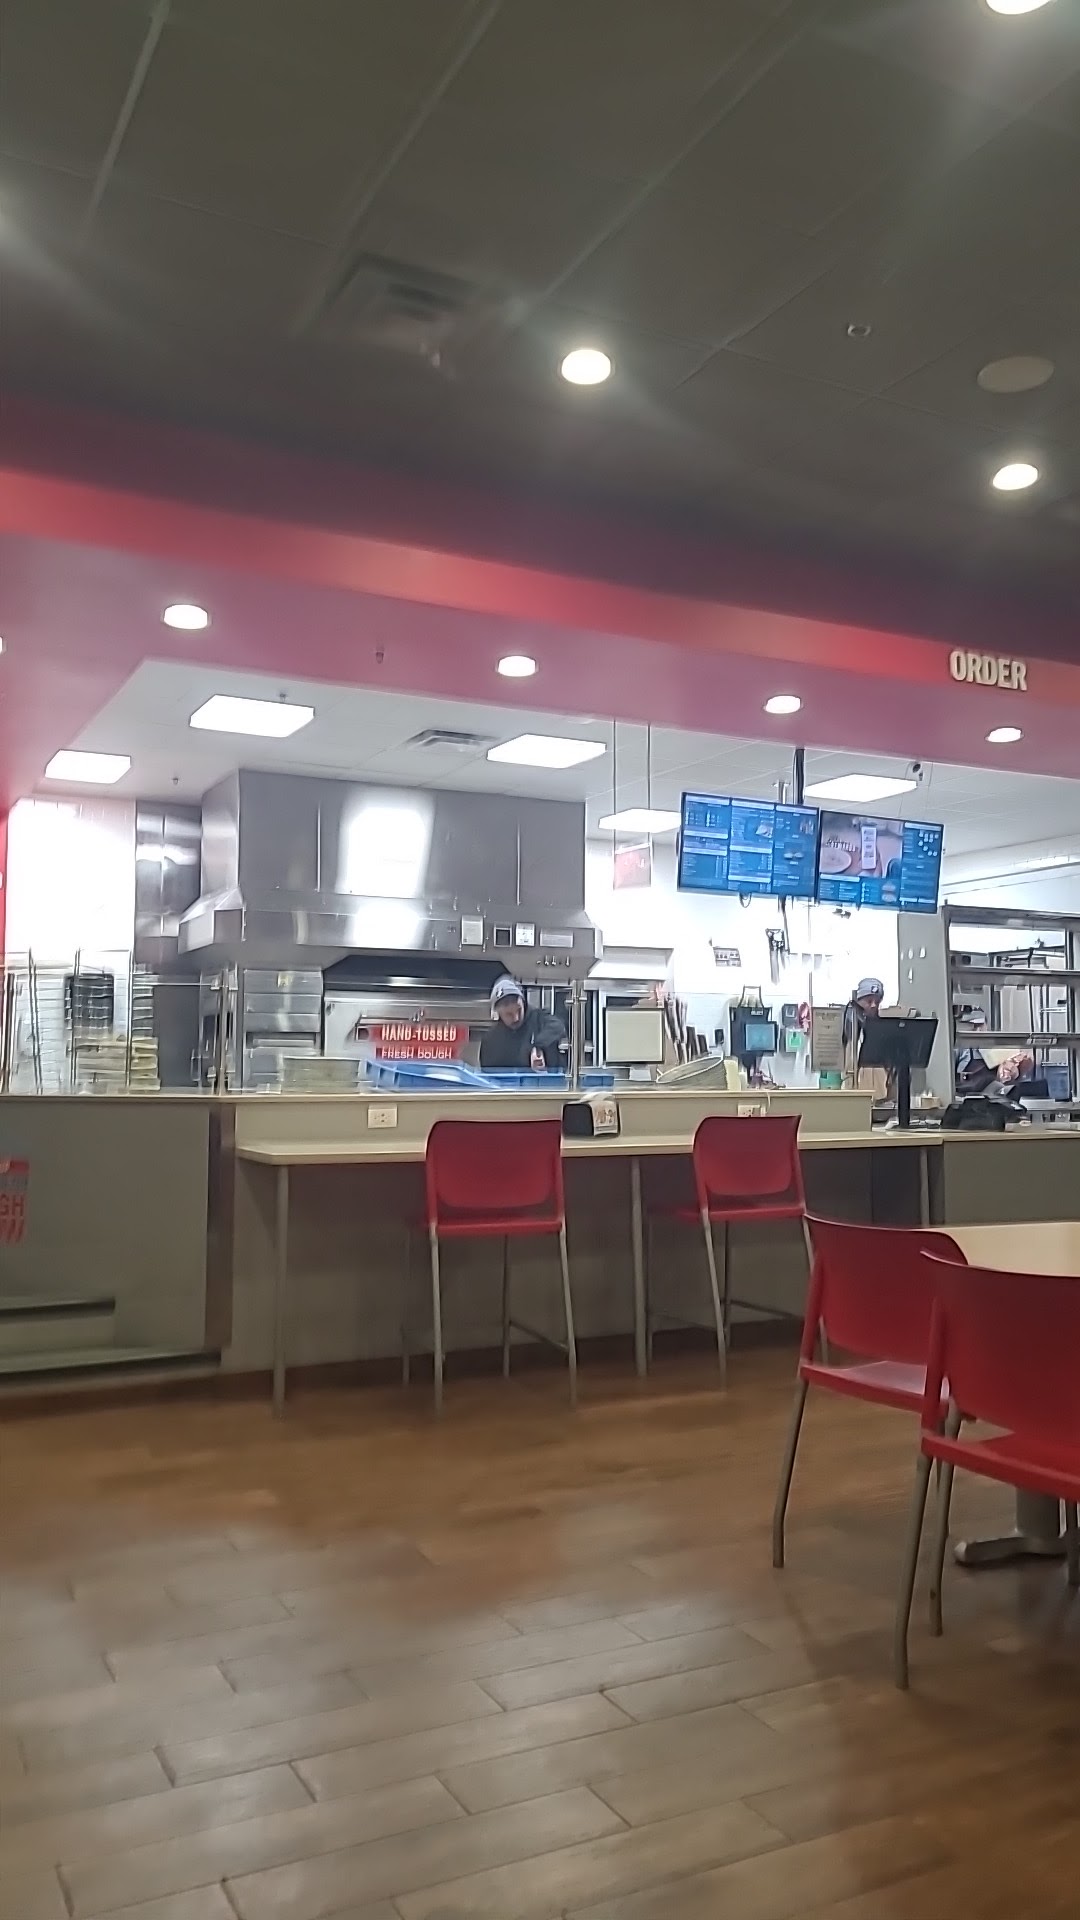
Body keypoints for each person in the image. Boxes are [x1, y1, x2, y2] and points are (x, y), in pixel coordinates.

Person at [479, 976, 566, 1072]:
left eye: (519, 1010)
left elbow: (558, 1026)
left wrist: (538, 1047)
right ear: (498, 1013)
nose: (516, 1018)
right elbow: (487, 1074)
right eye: (509, 1014)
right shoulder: (491, 1040)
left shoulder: (539, 1018)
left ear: (523, 1003)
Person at [842, 977, 884, 1059]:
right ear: (858, 1001)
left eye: (877, 1002)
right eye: (869, 1001)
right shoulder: (848, 1023)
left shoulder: (880, 1028)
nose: (874, 1005)